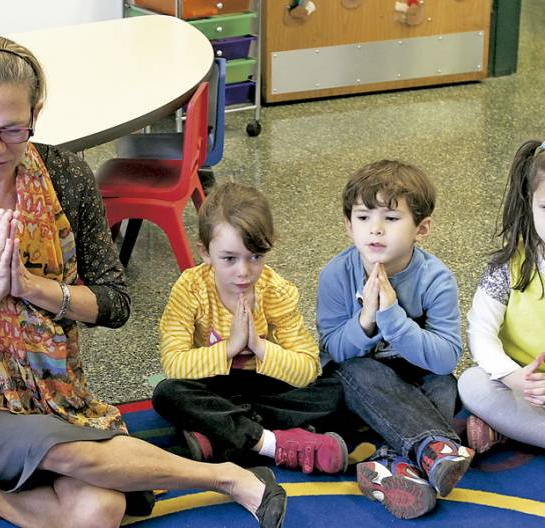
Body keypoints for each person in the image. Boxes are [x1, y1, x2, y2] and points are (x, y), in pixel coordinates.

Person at [0, 34, 286, 528]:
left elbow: (116, 304)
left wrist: (32, 287)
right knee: (67, 454)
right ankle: (226, 477)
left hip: (53, 394)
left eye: (12, 130)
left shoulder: (66, 177)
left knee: (100, 510)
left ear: (37, 112)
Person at [152, 183, 348, 474]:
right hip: (213, 384)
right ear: (205, 253)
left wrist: (259, 346)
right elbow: (173, 364)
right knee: (168, 393)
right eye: (229, 259)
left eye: (255, 257)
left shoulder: (276, 291)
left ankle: (220, 435)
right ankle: (272, 442)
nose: (243, 271)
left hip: (260, 386)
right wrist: (231, 347)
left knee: (336, 390)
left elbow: (308, 366)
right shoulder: (191, 288)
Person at [316, 160, 474, 519]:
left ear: (422, 228)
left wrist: (392, 316)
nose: (375, 230)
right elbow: (332, 352)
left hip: (416, 375)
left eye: (390, 218)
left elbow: (446, 358)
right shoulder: (336, 274)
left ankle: (390, 464)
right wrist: (368, 320)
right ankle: (435, 446)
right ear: (347, 225)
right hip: (359, 381)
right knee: (357, 371)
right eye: (363, 218)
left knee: (444, 386)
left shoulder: (437, 279)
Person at [458, 140, 545, 453]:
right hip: (521, 385)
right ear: (529, 204)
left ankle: (506, 430)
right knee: (470, 383)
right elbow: (481, 333)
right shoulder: (508, 266)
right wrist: (514, 377)